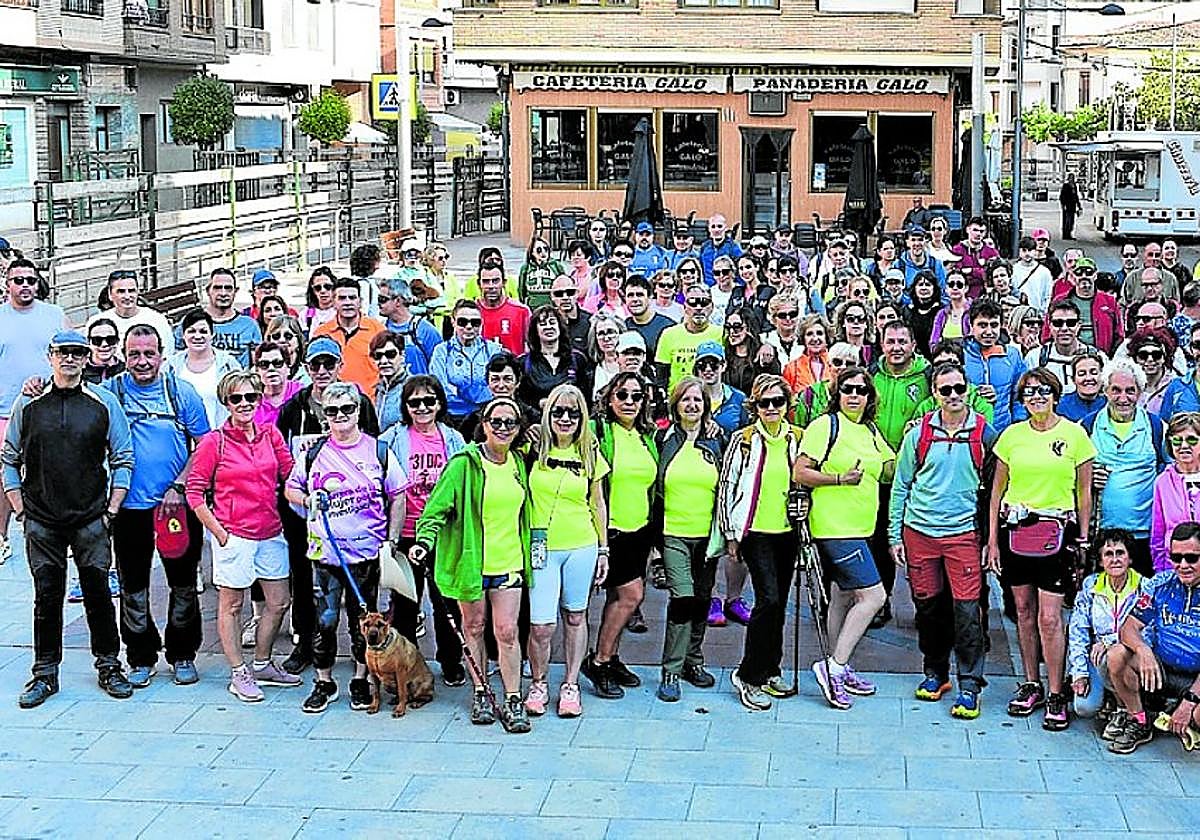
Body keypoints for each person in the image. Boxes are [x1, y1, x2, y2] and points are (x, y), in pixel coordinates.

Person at [4, 331, 135, 708]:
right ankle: (45, 672)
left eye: (78, 353)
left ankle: (109, 665)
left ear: (86, 357)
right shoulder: (28, 403)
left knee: (98, 593)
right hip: (41, 518)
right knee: (47, 596)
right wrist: (19, 507)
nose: (70, 359)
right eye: (64, 352)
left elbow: (123, 456)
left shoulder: (103, 402)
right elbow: (9, 456)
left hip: (91, 517)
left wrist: (111, 509)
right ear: (50, 355)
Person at [410, 397, 534, 734]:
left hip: (509, 559)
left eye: (511, 422)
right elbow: (435, 508)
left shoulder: (518, 464)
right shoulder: (464, 464)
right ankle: (480, 690)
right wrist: (424, 541)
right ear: (484, 423)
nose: (503, 428)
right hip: (472, 562)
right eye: (497, 421)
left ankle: (512, 697)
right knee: (475, 627)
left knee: (507, 631)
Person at [283, 382, 407, 713]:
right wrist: (308, 499)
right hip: (325, 554)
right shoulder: (312, 454)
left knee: (361, 621)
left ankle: (361, 679)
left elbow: (398, 495)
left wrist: (392, 541)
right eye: (332, 410)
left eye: (346, 409)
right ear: (324, 415)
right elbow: (290, 489)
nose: (339, 416)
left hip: (366, 553)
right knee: (324, 620)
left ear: (358, 412)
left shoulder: (378, 451)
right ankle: (324, 681)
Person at [986, 367, 1095, 731]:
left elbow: (1084, 491)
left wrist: (1083, 536)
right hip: (1016, 533)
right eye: (1029, 392)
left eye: (1043, 391)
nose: (1036, 397)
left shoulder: (1075, 435)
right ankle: (1031, 682)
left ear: (1055, 394)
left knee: (1051, 618)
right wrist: (991, 542)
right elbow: (996, 492)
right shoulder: (1012, 436)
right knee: (1023, 611)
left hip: (1057, 535)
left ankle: (1055, 691)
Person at [186, 370, 301, 702]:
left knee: (279, 601)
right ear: (226, 402)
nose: (245, 403)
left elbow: (291, 473)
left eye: (251, 396)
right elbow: (195, 493)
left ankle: (262, 662)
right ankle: (239, 672)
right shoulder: (214, 442)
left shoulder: (270, 435)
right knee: (232, 604)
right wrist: (220, 533)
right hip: (234, 534)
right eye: (237, 398)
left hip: (271, 530)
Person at [889, 361, 995, 718]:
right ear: (934, 393)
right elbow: (901, 485)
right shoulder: (918, 434)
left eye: (959, 388)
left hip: (963, 534)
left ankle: (970, 684)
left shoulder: (985, 433)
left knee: (967, 612)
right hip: (919, 532)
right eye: (945, 389)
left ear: (969, 390)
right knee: (929, 610)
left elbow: (994, 490)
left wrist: (988, 539)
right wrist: (894, 535)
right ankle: (935, 673)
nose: (953, 395)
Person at [106, 326, 210, 688]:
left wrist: (179, 486)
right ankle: (139, 656)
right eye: (134, 354)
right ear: (124, 355)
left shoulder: (181, 393)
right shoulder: (111, 394)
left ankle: (182, 654)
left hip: (175, 509)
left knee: (182, 584)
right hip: (128, 508)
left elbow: (205, 448)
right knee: (133, 586)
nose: (142, 361)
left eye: (149, 354)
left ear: (162, 355)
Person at [275, 337, 380, 673]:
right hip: (306, 512)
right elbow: (284, 458)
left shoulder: (359, 404)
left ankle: (363, 660)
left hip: (355, 519)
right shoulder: (293, 408)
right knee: (307, 584)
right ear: (306, 368)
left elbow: (375, 451)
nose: (322, 371)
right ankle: (307, 645)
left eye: (329, 364)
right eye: (315, 365)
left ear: (339, 366)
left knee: (357, 592)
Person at [795, 367, 895, 711]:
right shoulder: (825, 426)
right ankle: (833, 667)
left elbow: (888, 467)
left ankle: (839, 659)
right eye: (848, 389)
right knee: (874, 597)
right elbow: (800, 471)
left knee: (842, 596)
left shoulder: (868, 429)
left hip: (861, 526)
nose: (854, 395)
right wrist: (839, 479)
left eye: (862, 390)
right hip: (835, 527)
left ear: (870, 397)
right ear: (836, 394)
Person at [524, 385, 609, 718]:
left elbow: (598, 501)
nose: (565, 418)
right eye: (558, 411)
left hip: (580, 544)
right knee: (541, 625)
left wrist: (603, 549)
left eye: (573, 412)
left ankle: (570, 684)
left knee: (575, 616)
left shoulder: (589, 451)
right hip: (542, 545)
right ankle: (539, 682)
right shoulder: (532, 447)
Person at [721, 374, 803, 711]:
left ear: (787, 405)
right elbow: (729, 484)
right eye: (764, 402)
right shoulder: (742, 439)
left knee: (779, 603)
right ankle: (748, 674)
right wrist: (730, 533)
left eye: (778, 401)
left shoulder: (798, 438)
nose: (771, 408)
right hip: (754, 531)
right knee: (767, 600)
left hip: (788, 531)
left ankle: (771, 667)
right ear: (754, 406)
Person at [380, 375, 467, 684]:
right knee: (405, 605)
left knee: (447, 601)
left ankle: (451, 659)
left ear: (440, 403)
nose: (422, 407)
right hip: (406, 531)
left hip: (443, 532)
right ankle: (410, 663)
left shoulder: (453, 438)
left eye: (429, 401)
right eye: (414, 402)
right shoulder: (393, 438)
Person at [583, 372, 658, 700]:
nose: (629, 401)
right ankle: (598, 660)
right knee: (631, 596)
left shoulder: (647, 435)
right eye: (623, 395)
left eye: (636, 396)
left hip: (639, 529)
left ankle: (610, 656)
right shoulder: (599, 433)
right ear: (610, 399)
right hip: (609, 530)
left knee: (619, 598)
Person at [655, 377, 726, 702]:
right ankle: (671, 669)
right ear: (676, 404)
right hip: (673, 533)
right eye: (686, 400)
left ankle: (692, 661)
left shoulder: (716, 440)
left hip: (707, 536)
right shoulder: (663, 437)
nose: (692, 405)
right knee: (682, 598)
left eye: (698, 400)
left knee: (700, 599)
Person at [1106, 520, 1200, 754]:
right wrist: (1143, 651)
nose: (1183, 565)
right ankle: (1139, 720)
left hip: (1197, 679)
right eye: (1176, 558)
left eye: (1191, 558)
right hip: (1162, 669)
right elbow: (1128, 627)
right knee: (1118, 654)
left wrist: (1190, 700)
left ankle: (1185, 715)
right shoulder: (1161, 583)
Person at [0, 260, 69, 563]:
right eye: (18, 280)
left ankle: (63, 533)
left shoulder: (54, 314)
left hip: (49, 407)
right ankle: (1, 537)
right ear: (7, 284)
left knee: (56, 471)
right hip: (4, 410)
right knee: (4, 475)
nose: (25, 285)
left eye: (30, 279)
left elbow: (72, 351)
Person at [870, 321, 931, 623]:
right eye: (890, 341)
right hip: (877, 476)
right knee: (880, 542)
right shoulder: (871, 375)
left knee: (918, 544)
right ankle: (881, 601)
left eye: (902, 342)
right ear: (881, 344)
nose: (896, 347)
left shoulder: (927, 376)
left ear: (912, 345)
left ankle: (925, 605)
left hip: (916, 477)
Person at [1068, 528, 1149, 722]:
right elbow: (1077, 629)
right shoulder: (1090, 585)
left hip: (1129, 655)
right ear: (1101, 560)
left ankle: (1125, 708)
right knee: (1084, 707)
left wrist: (1110, 641)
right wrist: (1079, 672)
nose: (1115, 559)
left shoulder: (1145, 586)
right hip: (1096, 655)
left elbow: (1150, 631)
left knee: (1113, 656)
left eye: (1120, 553)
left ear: (1129, 558)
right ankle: (1110, 699)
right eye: (1108, 554)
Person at [430, 300, 503, 426]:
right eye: (462, 322)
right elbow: (440, 388)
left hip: (485, 416)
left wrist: (461, 391)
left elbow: (497, 386)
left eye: (475, 323)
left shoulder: (492, 349)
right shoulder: (441, 351)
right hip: (452, 417)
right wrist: (477, 394)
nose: (469, 327)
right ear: (453, 322)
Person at [165, 309, 242, 429]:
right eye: (191, 331)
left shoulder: (229, 364)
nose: (197, 336)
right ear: (183, 335)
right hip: (182, 438)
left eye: (203, 331)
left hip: (221, 437)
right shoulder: (170, 366)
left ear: (212, 334)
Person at [311, 278, 386, 396]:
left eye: (352, 298)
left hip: (370, 404)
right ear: (334, 302)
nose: (347, 302)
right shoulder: (321, 333)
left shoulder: (377, 330)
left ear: (360, 302)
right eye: (342, 298)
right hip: (333, 405)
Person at [963, 299, 1028, 432]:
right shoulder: (960, 354)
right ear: (971, 326)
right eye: (982, 325)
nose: (989, 331)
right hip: (967, 433)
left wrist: (1018, 424)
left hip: (1003, 432)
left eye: (994, 325)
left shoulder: (1012, 355)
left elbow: (1020, 395)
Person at [174, 268, 261, 367]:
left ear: (235, 291)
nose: (223, 293)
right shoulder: (191, 322)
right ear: (208, 291)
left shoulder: (249, 325)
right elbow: (176, 357)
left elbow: (257, 364)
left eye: (228, 288)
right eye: (217, 288)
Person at [1151, 412, 1200, 574]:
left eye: (1192, 440)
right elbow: (1158, 535)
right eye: (1177, 440)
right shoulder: (1162, 482)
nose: (1184, 446)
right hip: (1176, 567)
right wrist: (1161, 572)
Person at [517, 304, 592, 411]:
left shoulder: (578, 359)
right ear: (535, 330)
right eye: (543, 324)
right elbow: (521, 398)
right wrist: (539, 403)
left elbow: (586, 397)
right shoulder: (524, 363)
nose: (548, 327)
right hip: (536, 423)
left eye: (552, 322)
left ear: (560, 327)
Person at [654, 284, 722, 392]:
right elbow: (662, 376)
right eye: (693, 303)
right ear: (685, 307)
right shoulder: (669, 334)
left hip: (710, 399)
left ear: (712, 307)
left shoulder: (722, 334)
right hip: (677, 399)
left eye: (704, 302)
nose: (699, 308)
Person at [1049, 257, 1123, 355]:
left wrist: (1111, 357)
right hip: (1067, 355)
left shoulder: (1109, 301)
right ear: (1073, 276)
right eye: (1079, 273)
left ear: (1095, 275)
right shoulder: (1060, 300)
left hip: (1100, 356)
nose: (1084, 277)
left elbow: (1119, 333)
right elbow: (1048, 329)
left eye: (1089, 273)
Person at [86, 269, 173, 351]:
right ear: (110, 294)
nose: (127, 296)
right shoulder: (96, 322)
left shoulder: (156, 319)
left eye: (131, 291)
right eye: (121, 291)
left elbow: (167, 353)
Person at [1027, 300, 1104, 392]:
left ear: (1079, 325)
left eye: (1071, 323)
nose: (1064, 328)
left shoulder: (1097, 357)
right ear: (1050, 326)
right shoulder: (1035, 358)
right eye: (1058, 323)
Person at [378, 277, 441, 374]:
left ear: (398, 301)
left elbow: (440, 367)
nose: (378, 304)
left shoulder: (425, 330)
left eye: (382, 299)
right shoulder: (380, 328)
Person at [724, 306, 779, 396]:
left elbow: (774, 384)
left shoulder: (764, 354)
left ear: (749, 328)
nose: (731, 332)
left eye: (737, 327)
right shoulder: (725, 356)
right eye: (728, 327)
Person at [479, 264, 532, 357]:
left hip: (512, 369)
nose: (491, 286)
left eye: (495, 281)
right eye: (486, 281)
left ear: (504, 282)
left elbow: (533, 346)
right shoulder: (471, 313)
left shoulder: (521, 311)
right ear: (479, 284)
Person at [693, 341, 746, 433]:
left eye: (714, 364)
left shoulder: (739, 398)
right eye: (702, 365)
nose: (708, 369)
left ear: (723, 365)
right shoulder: (689, 398)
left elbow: (747, 432)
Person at [371, 331, 415, 433]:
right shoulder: (379, 388)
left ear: (402, 355)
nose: (384, 361)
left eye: (390, 354)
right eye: (378, 356)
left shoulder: (412, 388)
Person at [1128, 328, 1178, 415]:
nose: (1150, 359)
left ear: (1164, 358)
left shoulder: (1176, 386)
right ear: (1135, 358)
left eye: (1156, 355)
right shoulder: (1128, 384)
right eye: (1143, 355)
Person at [623, 274, 674, 357]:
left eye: (640, 295)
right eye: (630, 295)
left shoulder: (668, 327)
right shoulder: (623, 327)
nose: (635, 299)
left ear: (650, 297)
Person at [952, 216, 1000, 300]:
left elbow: (994, 275)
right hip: (963, 296)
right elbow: (957, 274)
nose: (978, 234)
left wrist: (971, 271)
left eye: (981, 231)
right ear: (968, 230)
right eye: (975, 230)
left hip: (986, 297)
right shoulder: (957, 250)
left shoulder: (992, 252)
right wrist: (982, 272)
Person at [904, 269, 943, 358]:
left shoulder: (942, 312)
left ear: (934, 288)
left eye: (928, 285)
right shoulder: (907, 311)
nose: (924, 288)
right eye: (920, 285)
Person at [1056, 353, 1106, 421]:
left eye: (1094, 373)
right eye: (1082, 374)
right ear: (1073, 379)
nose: (1088, 378)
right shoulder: (1062, 405)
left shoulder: (1110, 404)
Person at [551, 274, 593, 355]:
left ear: (577, 293)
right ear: (552, 296)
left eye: (570, 292)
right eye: (559, 294)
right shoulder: (547, 324)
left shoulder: (590, 321)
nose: (565, 297)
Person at [518, 238, 563, 311]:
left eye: (546, 249)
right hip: (533, 308)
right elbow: (521, 291)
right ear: (532, 252)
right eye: (539, 250)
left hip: (552, 308)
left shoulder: (556, 266)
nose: (543, 252)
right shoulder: (526, 268)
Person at [1012, 236, 1054, 313]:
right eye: (1024, 250)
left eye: (1030, 250)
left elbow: (1048, 295)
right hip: (1017, 312)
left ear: (1035, 251)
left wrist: (1044, 311)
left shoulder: (1044, 272)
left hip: (1037, 314)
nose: (1027, 253)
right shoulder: (1013, 270)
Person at [930, 270, 972, 346]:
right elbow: (933, 342)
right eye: (951, 284)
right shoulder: (941, 314)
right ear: (946, 289)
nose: (955, 288)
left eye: (959, 285)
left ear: (966, 288)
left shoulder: (974, 310)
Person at [588, 314, 624, 400]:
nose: (606, 338)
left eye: (611, 332)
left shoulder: (633, 364)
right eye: (601, 334)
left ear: (621, 333)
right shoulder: (589, 370)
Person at [898, 225, 947, 290]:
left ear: (926, 242)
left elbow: (943, 291)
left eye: (920, 240)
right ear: (907, 243)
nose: (917, 243)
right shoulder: (899, 265)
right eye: (913, 240)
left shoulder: (936, 264)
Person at [699, 214, 742, 286]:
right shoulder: (704, 247)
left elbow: (740, 269)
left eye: (719, 226)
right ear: (709, 229)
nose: (716, 230)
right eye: (713, 227)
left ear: (725, 228)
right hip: (707, 288)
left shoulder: (733, 247)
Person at [264, 315, 308, 382]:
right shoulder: (259, 372)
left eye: (288, 336)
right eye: (276, 336)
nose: (282, 340)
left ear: (298, 341)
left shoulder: (308, 374)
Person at [84, 317, 125, 384]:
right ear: (88, 342)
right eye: (97, 340)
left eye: (110, 339)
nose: (104, 344)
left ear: (117, 341)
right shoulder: (79, 374)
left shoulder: (128, 371)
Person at [300, 267, 337, 337]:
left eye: (327, 287)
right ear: (313, 291)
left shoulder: (341, 312)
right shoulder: (306, 314)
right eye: (318, 288)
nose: (323, 291)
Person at [349, 243, 384, 318]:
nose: (378, 267)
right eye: (376, 261)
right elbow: (364, 310)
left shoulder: (367, 282)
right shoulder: (364, 284)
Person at [1059, 173, 1080, 240]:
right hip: (1067, 205)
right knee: (1067, 220)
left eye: (1073, 178)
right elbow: (1062, 196)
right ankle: (1065, 235)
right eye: (1071, 178)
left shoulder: (1074, 186)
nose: (1072, 179)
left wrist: (1079, 205)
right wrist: (1063, 205)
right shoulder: (1066, 186)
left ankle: (1070, 233)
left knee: (1071, 221)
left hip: (1073, 206)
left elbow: (1076, 196)